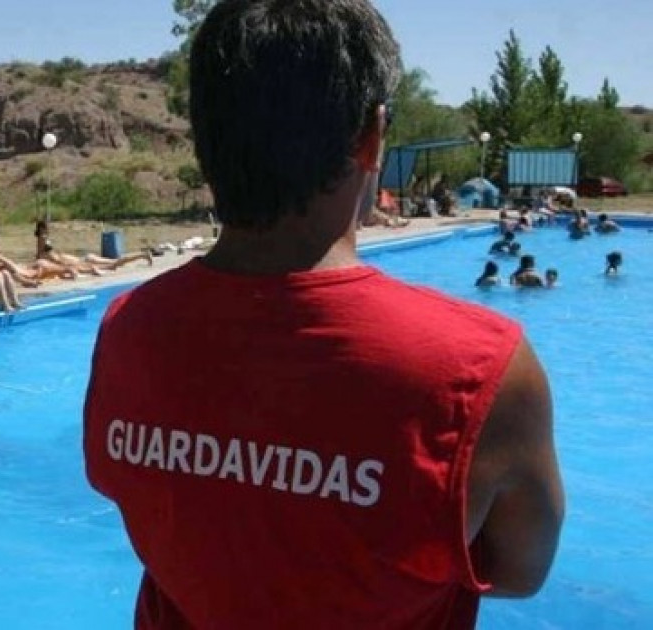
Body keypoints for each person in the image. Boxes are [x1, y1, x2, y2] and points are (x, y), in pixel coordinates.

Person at [83, 2, 563, 628]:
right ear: (371, 136)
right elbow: (520, 571)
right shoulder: (478, 370)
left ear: (204, 137)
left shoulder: (129, 330)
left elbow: (148, 502)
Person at [34, 220, 151, 273]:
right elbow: (44, 245)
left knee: (115, 263)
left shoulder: (46, 250)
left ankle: (142, 255)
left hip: (83, 261)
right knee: (115, 262)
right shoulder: (45, 247)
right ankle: (142, 255)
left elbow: (46, 249)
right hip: (83, 260)